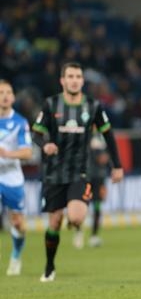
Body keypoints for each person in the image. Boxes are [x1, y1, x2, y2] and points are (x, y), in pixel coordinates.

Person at [32, 62, 124, 282]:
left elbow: (109, 136)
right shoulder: (51, 104)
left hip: (81, 172)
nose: (74, 80)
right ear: (62, 81)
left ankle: (76, 225)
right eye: (70, 76)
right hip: (54, 172)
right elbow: (35, 133)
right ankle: (49, 266)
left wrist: (117, 166)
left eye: (78, 76)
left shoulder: (93, 106)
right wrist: (44, 145)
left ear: (82, 81)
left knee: (75, 217)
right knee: (54, 222)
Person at [0, 80, 33, 276]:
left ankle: (15, 256)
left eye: (8, 92)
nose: (4, 95)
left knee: (19, 224)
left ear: (13, 97)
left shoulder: (20, 122)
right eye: (1, 92)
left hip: (12, 177)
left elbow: (27, 152)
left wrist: (7, 154)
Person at [87, 134, 111, 247]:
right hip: (86, 177)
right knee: (81, 205)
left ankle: (94, 235)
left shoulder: (103, 137)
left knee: (97, 206)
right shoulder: (85, 134)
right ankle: (79, 231)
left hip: (99, 178)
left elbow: (106, 158)